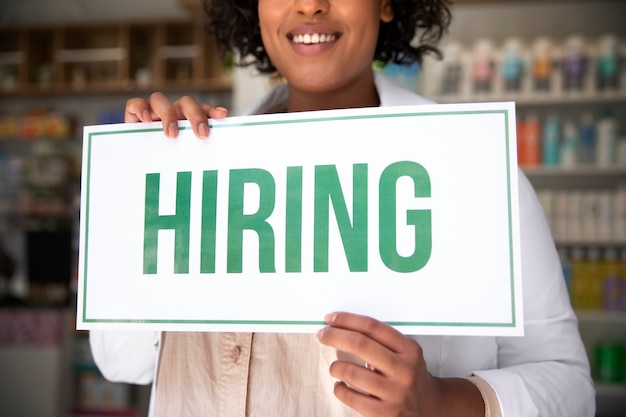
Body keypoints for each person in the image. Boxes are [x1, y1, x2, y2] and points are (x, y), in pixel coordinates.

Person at [90, 1, 595, 416]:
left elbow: (569, 386)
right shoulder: (193, 166)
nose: (310, 5)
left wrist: (444, 402)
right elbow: (124, 363)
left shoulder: (473, 168)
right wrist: (136, 192)